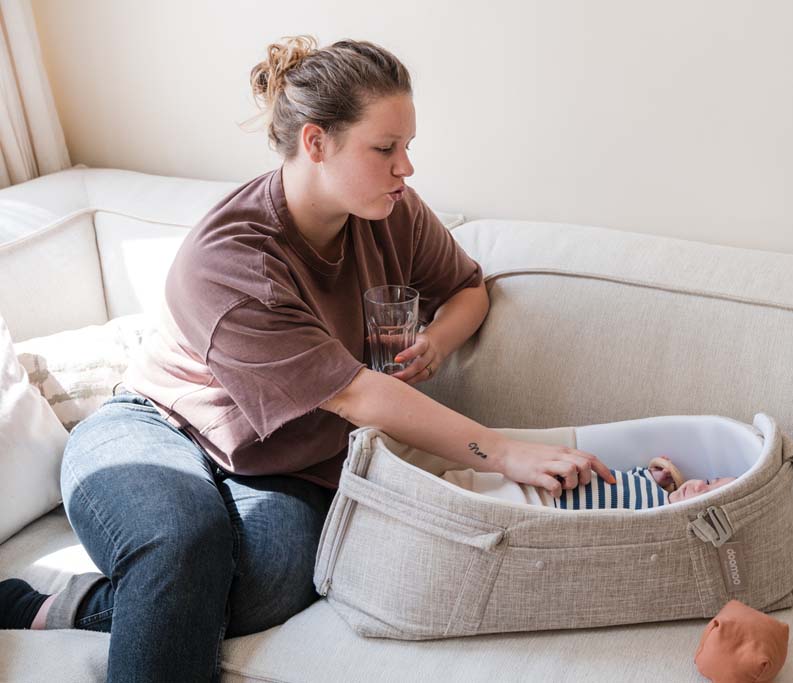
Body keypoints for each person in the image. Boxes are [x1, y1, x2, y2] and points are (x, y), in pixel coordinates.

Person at [0, 36, 615, 681]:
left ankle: (54, 609)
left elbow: (467, 288)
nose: (406, 168)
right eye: (385, 149)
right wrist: (505, 451)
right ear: (316, 142)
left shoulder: (388, 212)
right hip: (156, 429)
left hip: (285, 457)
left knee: (268, 587)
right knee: (185, 544)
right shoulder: (233, 261)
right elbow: (356, 395)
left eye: (407, 146)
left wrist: (436, 341)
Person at [443, 455, 735, 509]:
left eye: (707, 495)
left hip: (549, 507)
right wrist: (655, 476)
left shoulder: (659, 519)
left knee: (486, 504)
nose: (699, 486)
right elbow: (622, 477)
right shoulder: (654, 490)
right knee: (484, 482)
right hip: (547, 482)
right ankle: (446, 485)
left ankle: (447, 497)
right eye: (709, 481)